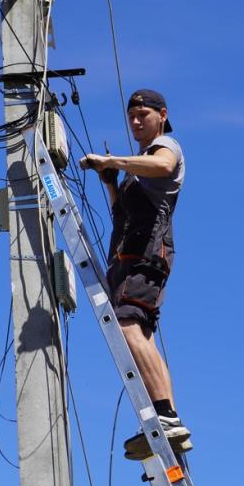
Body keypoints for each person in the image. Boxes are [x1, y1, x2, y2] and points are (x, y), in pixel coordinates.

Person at [79, 88, 191, 460]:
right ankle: (165, 420)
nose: (137, 120)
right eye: (132, 115)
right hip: (128, 256)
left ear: (162, 114)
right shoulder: (136, 167)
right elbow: (120, 216)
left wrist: (113, 160)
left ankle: (167, 417)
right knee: (139, 334)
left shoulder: (166, 146)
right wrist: (110, 180)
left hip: (145, 256)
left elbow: (163, 167)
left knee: (128, 330)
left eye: (144, 113)